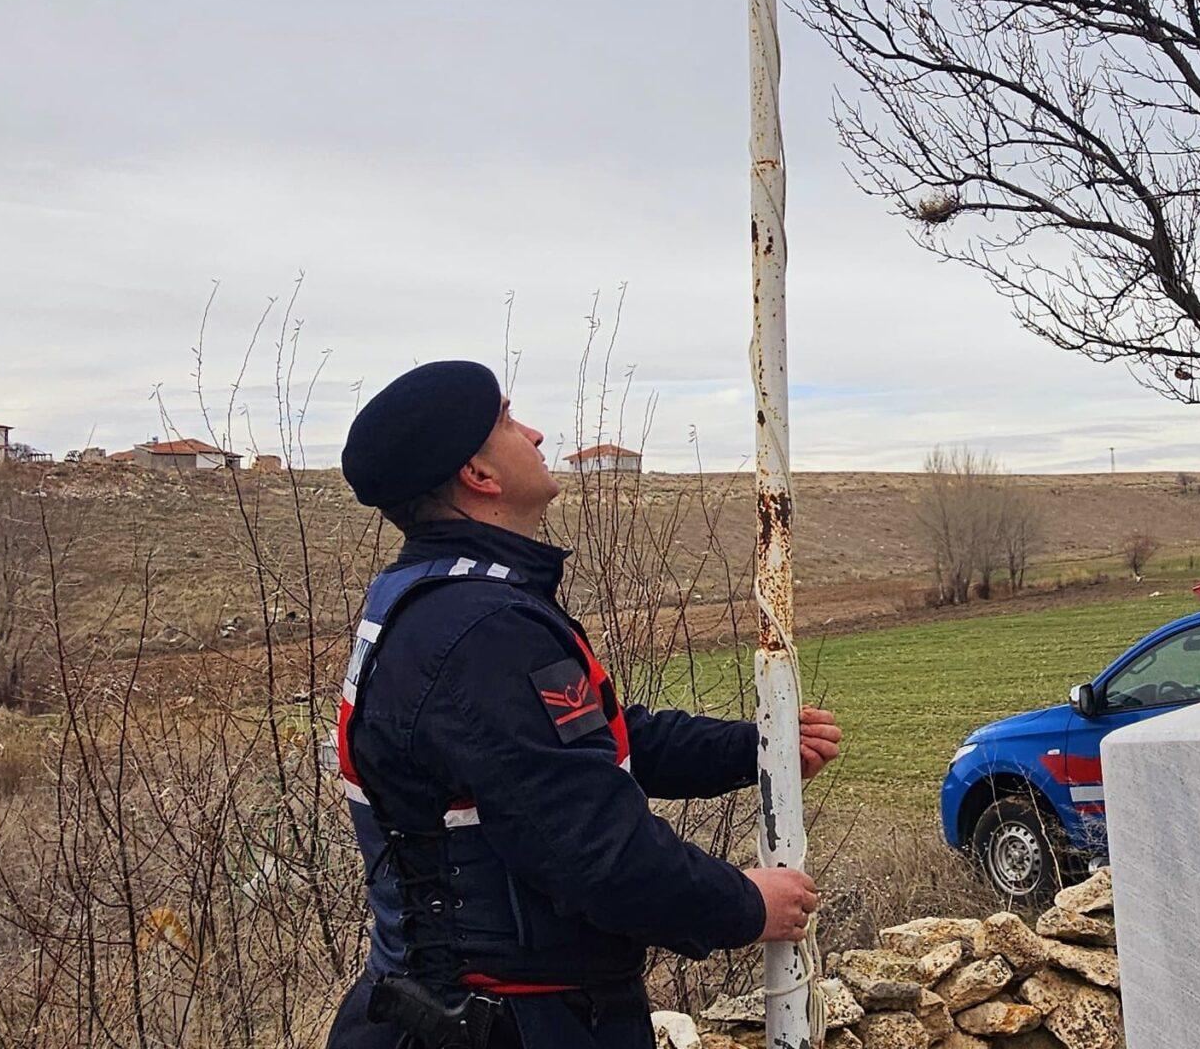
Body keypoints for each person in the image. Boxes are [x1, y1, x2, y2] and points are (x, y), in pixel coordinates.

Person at [327, 359, 840, 1048]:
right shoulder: (484, 631)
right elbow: (595, 851)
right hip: (506, 1026)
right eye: (508, 421)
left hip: (462, 1013)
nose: (535, 434)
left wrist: (758, 750)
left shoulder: (439, 598)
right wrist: (745, 904)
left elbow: (593, 742)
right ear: (479, 476)